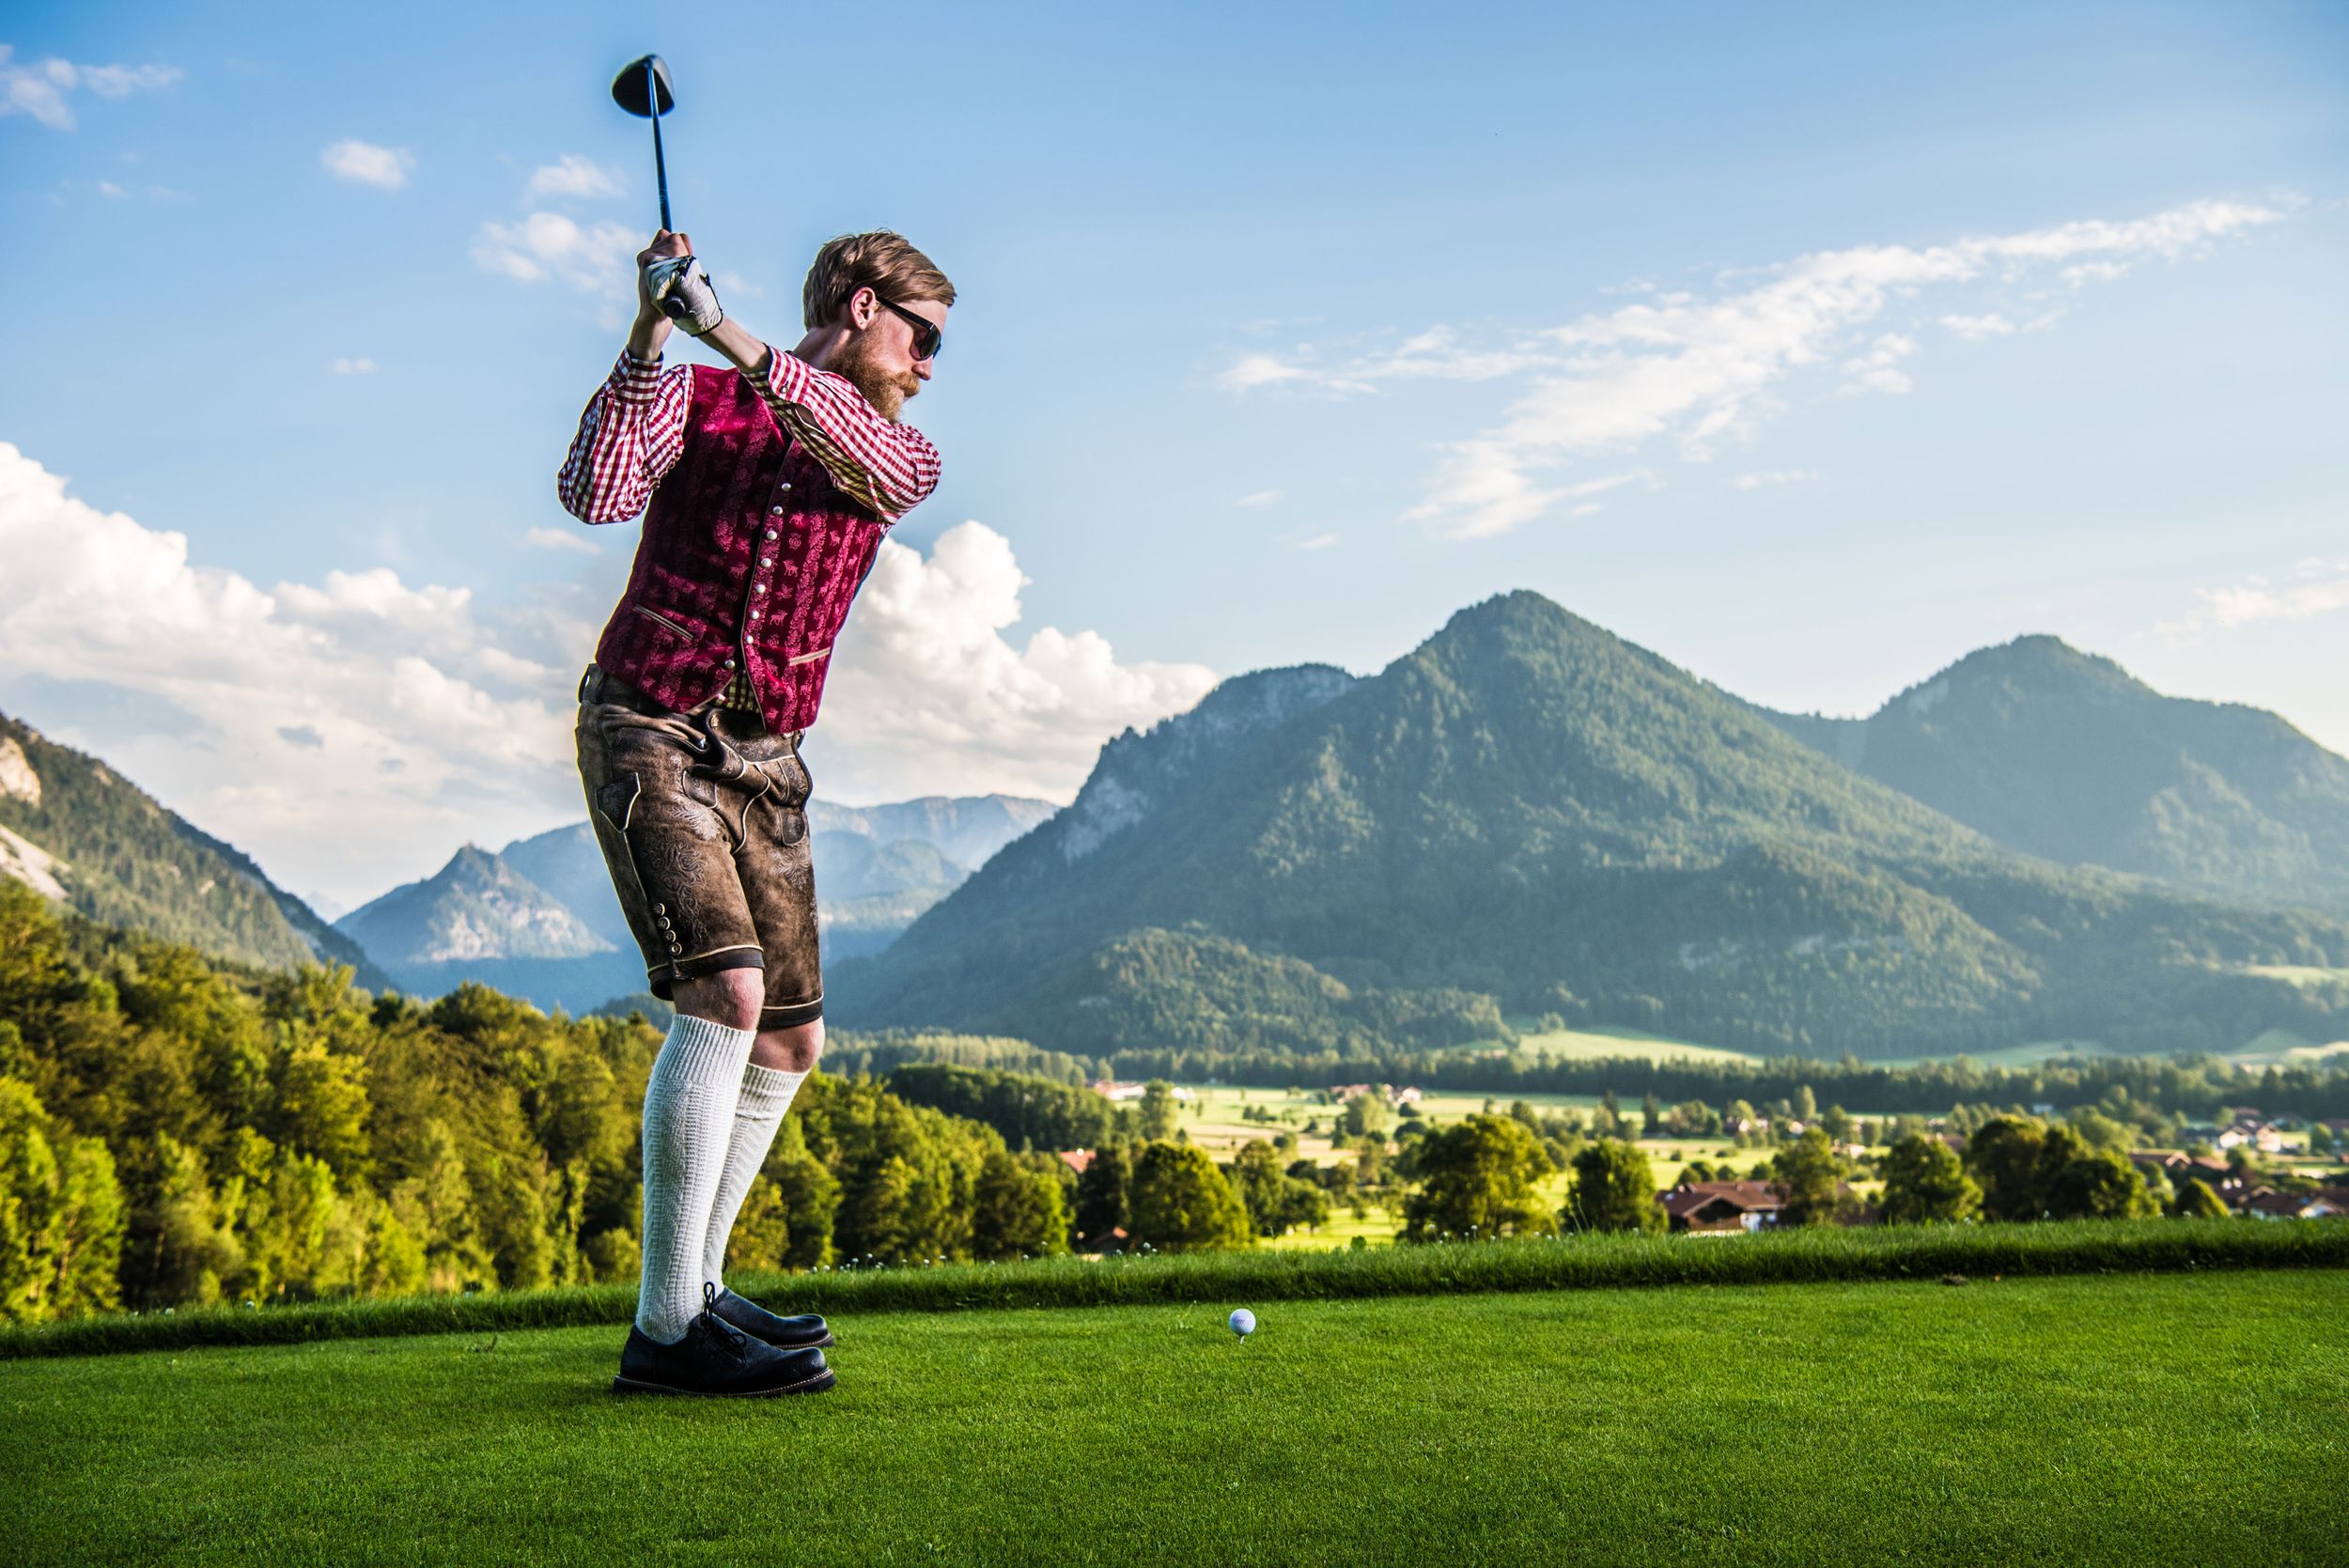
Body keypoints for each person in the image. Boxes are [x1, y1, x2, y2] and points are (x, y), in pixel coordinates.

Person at [557, 227, 953, 1395]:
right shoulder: (685, 395)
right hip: (649, 722)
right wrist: (649, 331)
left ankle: (700, 1294)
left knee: (789, 1037)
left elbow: (853, 453)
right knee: (724, 995)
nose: (930, 365)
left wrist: (724, 327)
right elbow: (593, 493)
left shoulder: (898, 450)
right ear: (866, 305)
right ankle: (668, 1330)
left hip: (768, 755)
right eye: (922, 339)